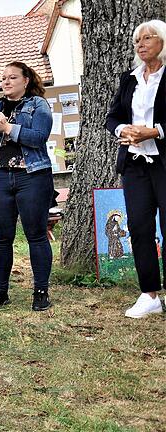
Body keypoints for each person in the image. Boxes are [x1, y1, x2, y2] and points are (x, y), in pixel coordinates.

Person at [0, 61, 54, 311]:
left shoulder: (38, 104)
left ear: (26, 80)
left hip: (32, 177)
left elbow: (40, 137)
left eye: (12, 78)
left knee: (36, 235)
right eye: (4, 78)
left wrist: (8, 128)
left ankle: (41, 291)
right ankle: (0, 291)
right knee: (2, 238)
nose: (6, 82)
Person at [105, 19, 166, 318]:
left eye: (147, 38)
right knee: (140, 229)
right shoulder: (130, 79)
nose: (140, 44)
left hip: (164, 162)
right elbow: (112, 117)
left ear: (163, 41)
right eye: (136, 41)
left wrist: (154, 132)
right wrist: (123, 131)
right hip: (135, 165)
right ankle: (149, 294)